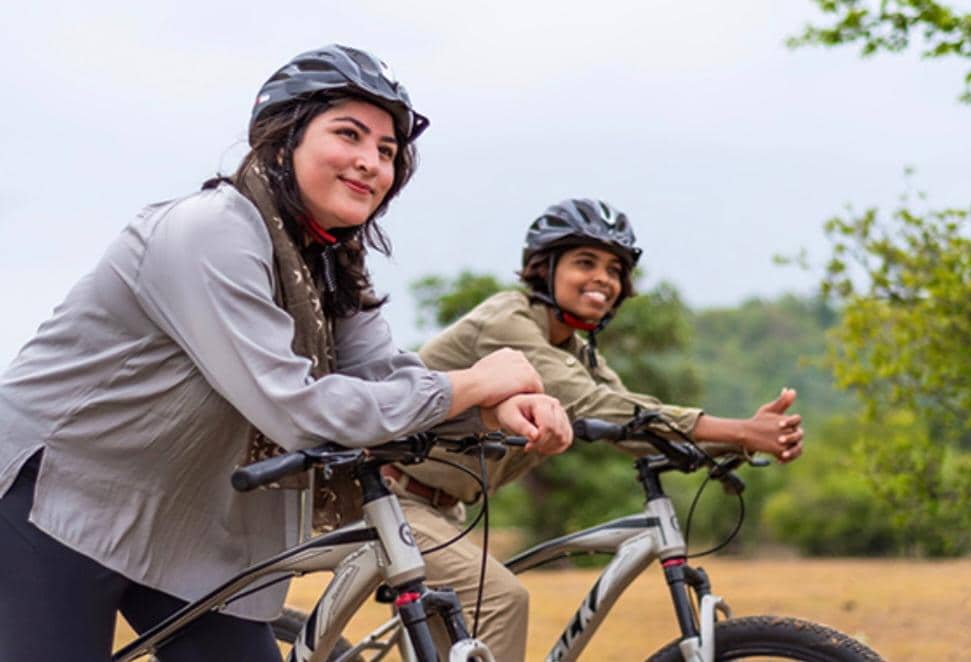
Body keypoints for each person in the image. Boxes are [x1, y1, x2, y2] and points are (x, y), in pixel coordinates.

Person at [0, 45, 571, 661]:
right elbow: (298, 411)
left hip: (190, 522)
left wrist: (491, 411)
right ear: (282, 139)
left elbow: (383, 375)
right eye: (348, 134)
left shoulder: (331, 265)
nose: (370, 163)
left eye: (386, 150)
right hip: (57, 496)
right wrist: (472, 385)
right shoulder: (212, 231)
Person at [388, 197, 805, 660]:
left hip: (444, 512)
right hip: (391, 497)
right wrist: (740, 430)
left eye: (615, 269)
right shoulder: (508, 319)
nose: (603, 279)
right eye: (585, 262)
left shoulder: (576, 349)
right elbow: (591, 403)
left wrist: (729, 444)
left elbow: (628, 417)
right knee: (504, 601)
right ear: (543, 268)